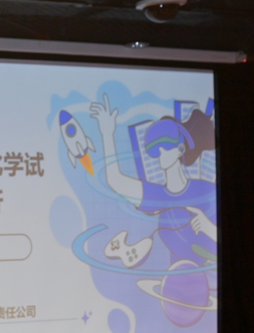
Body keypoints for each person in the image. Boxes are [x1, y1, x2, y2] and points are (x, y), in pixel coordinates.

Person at [90, 94, 216, 266]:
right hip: (175, 277)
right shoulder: (158, 196)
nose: (161, 153)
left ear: (180, 149)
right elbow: (115, 181)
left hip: (210, 278)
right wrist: (107, 134)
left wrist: (209, 228)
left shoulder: (207, 190)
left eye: (166, 147)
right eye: (157, 149)